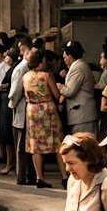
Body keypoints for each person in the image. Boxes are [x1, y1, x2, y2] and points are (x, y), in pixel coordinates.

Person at [23, 50, 65, 188]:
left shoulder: (26, 76)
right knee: (57, 142)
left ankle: (39, 177)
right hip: (47, 109)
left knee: (35, 145)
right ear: (41, 62)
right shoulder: (46, 75)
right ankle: (65, 177)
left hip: (32, 110)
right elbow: (56, 94)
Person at [9, 38, 37, 186]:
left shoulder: (22, 68)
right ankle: (29, 175)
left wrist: (11, 103)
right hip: (28, 108)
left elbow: (15, 91)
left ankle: (22, 175)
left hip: (21, 108)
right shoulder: (28, 67)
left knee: (21, 145)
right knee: (28, 145)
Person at [59, 41, 98, 137]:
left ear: (70, 55)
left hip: (83, 116)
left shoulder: (78, 67)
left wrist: (59, 86)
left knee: (84, 146)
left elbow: (69, 91)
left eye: (65, 56)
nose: (64, 59)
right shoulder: (79, 65)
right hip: (82, 115)